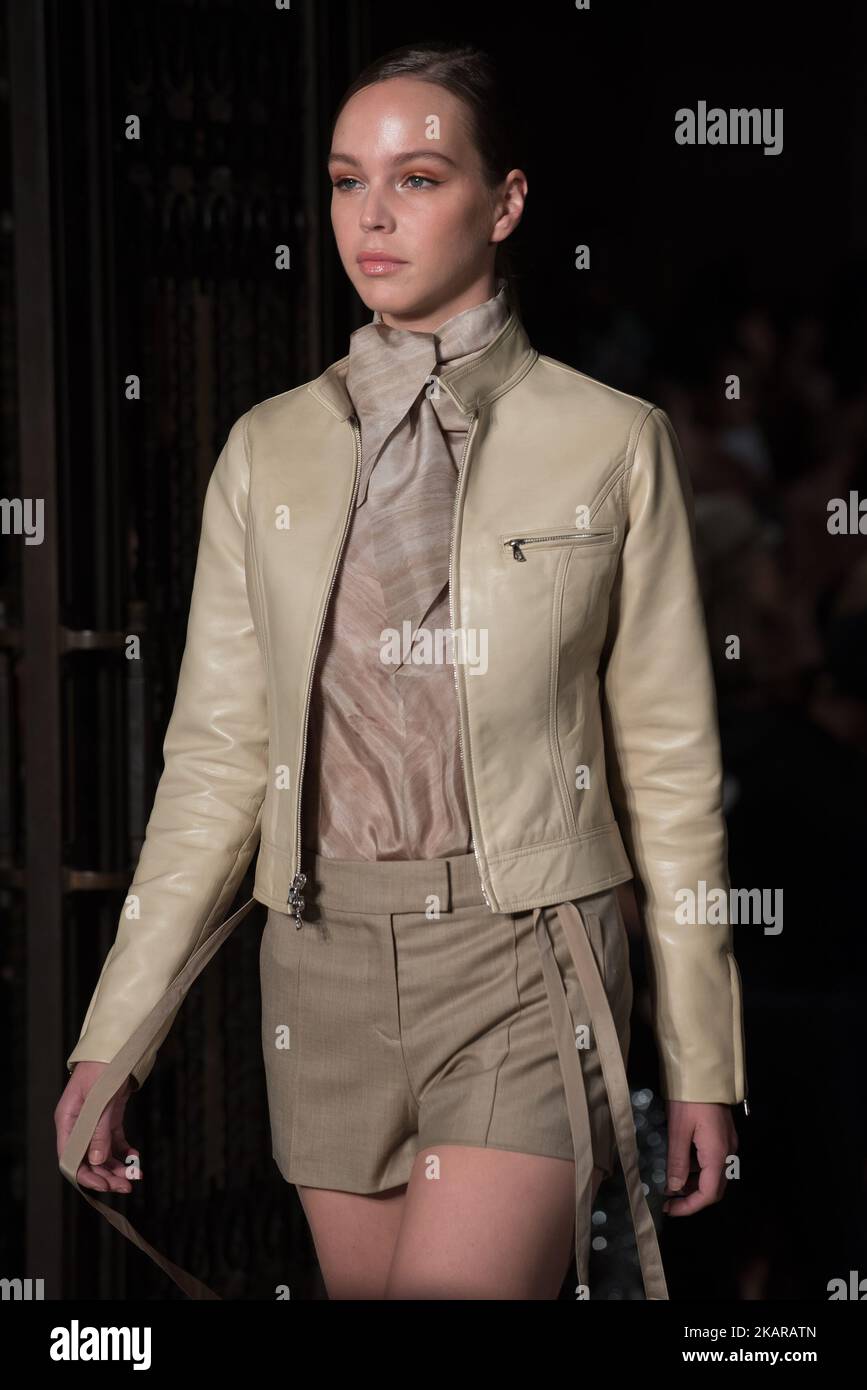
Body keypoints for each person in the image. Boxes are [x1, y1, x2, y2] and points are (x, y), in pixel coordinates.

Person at [55, 40, 747, 1302]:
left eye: (418, 177)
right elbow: (214, 761)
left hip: (521, 954)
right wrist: (118, 1037)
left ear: (507, 201)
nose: (371, 217)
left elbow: (670, 765)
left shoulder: (610, 442)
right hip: (315, 965)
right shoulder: (267, 451)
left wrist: (702, 1050)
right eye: (344, 181)